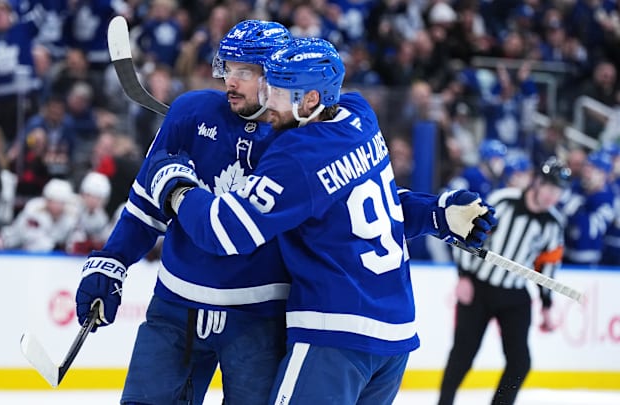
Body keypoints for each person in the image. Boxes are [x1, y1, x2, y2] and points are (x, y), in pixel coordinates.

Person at [143, 38, 497, 404]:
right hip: (394, 337)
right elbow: (371, 205)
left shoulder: (295, 158)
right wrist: (436, 214)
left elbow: (223, 230)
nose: (267, 98)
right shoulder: (359, 116)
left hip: (333, 336)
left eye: (279, 90)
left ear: (311, 99)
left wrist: (176, 186)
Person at [74, 20, 293, 405]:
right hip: (177, 305)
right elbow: (145, 205)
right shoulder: (192, 112)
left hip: (259, 318)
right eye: (228, 67)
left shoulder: (297, 138)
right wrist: (112, 260)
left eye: (245, 71)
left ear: (274, 75)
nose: (230, 81)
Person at [438, 157, 572, 405]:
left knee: (520, 362)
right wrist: (463, 276)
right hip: (479, 288)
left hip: (515, 297)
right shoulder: (503, 201)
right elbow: (467, 235)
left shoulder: (553, 224)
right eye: (551, 189)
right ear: (538, 182)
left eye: (559, 192)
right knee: (463, 355)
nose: (554, 197)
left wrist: (546, 305)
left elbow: (547, 267)